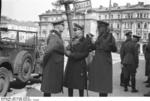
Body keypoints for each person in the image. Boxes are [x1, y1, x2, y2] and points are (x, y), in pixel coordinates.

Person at [88, 21, 117, 97]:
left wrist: (107, 46)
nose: (99, 29)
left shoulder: (110, 36)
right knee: (100, 82)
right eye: (98, 27)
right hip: (98, 60)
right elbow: (95, 47)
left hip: (105, 61)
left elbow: (114, 49)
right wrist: (90, 42)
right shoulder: (99, 36)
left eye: (100, 27)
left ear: (105, 28)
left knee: (104, 82)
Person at [64, 23, 91, 97]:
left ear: (82, 31)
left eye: (77, 30)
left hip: (80, 66)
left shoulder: (86, 41)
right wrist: (67, 51)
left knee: (80, 86)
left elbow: (85, 53)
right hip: (71, 65)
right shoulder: (72, 40)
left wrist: (71, 55)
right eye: (74, 30)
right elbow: (67, 50)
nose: (75, 32)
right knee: (70, 86)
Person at [40, 20, 65, 97]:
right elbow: (48, 51)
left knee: (48, 88)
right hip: (51, 66)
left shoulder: (57, 36)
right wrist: (44, 62)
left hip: (53, 65)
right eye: (62, 25)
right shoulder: (54, 36)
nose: (64, 26)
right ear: (58, 26)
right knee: (48, 88)